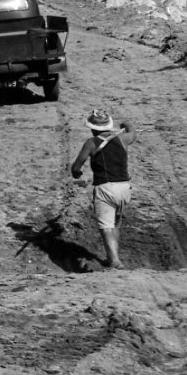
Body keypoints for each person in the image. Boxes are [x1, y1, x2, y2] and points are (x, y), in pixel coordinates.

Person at [69, 109, 137, 269]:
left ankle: (115, 261)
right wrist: (126, 123)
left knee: (106, 226)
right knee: (115, 224)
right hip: (124, 187)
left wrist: (77, 173)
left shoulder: (91, 143)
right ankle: (111, 257)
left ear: (92, 128)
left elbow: (76, 168)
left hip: (105, 188)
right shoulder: (122, 138)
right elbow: (133, 133)